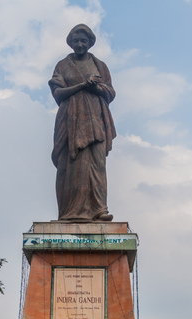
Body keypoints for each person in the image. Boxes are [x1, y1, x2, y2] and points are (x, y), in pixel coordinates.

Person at [49, 24, 116, 221]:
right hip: (70, 120)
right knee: (70, 166)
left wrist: (97, 87)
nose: (79, 44)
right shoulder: (62, 65)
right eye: (76, 40)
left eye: (83, 41)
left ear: (89, 42)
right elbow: (58, 94)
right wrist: (82, 85)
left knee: (97, 164)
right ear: (70, 42)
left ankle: (99, 210)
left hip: (96, 120)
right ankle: (69, 212)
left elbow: (110, 93)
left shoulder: (100, 65)